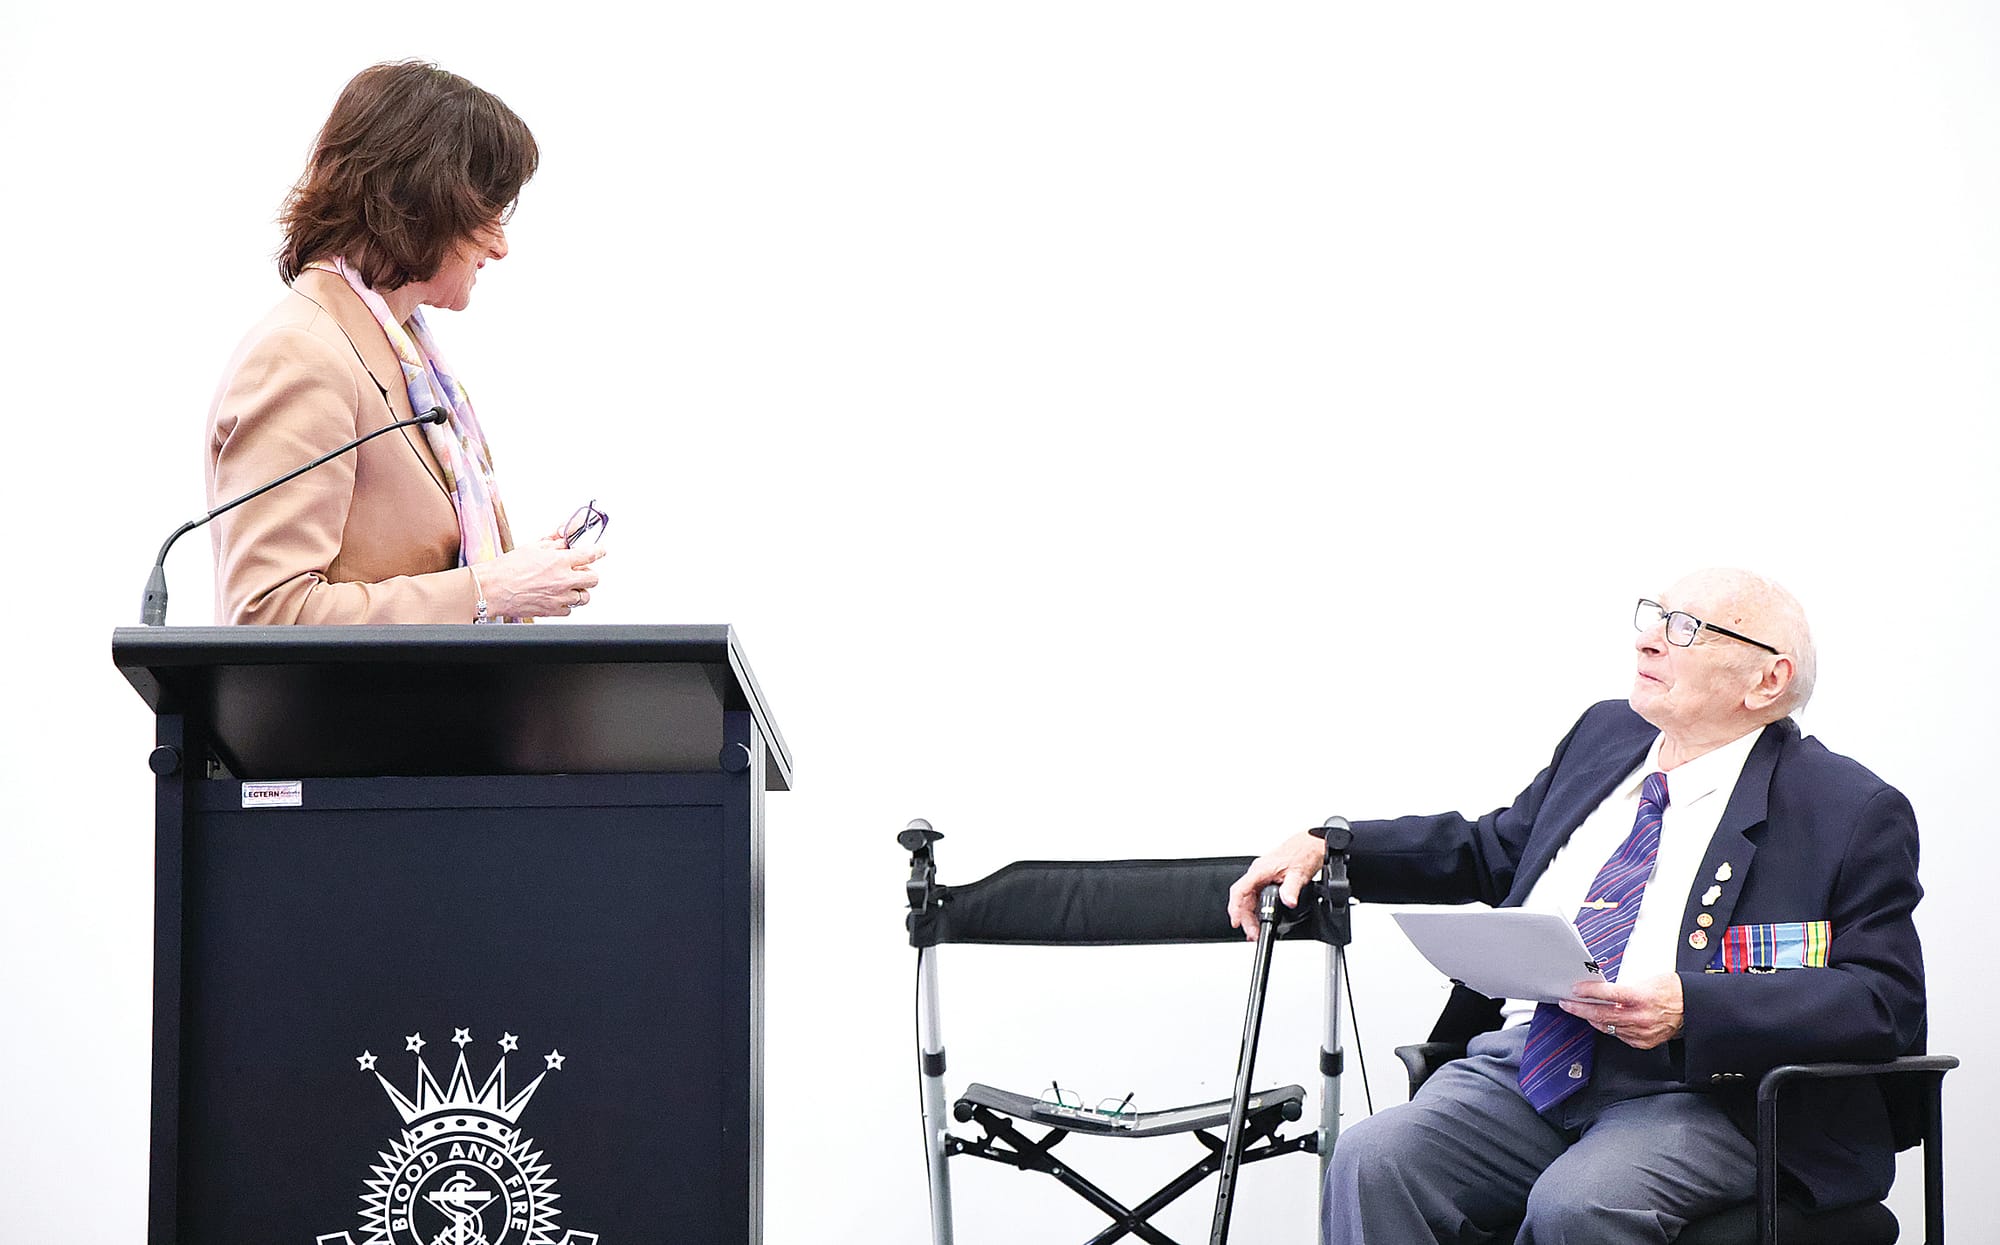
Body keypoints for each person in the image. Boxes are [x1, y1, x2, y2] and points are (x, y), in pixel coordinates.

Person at [1226, 568, 1924, 1244]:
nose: (1648, 639)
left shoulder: (1847, 810)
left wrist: (1693, 1008)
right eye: (1654, 615)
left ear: (1767, 679)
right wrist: (1336, 845)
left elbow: (1883, 1001)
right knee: (1374, 1159)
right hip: (1537, 1059)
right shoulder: (1607, 735)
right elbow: (1496, 847)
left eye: (1686, 629)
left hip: (1707, 1093)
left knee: (1581, 1204)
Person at [206, 60, 604, 624]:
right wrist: (491, 591)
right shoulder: (305, 355)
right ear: (420, 204)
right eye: (488, 213)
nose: (501, 246)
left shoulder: (404, 358)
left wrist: (516, 576)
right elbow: (271, 616)